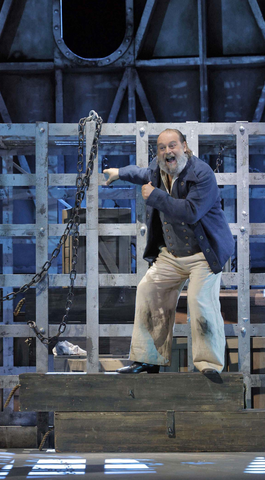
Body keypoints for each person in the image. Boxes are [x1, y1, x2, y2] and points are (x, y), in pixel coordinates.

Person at [103, 129, 234, 374]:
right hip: (172, 256)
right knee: (148, 290)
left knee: (200, 302)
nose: (167, 152)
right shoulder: (158, 170)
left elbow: (191, 211)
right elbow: (141, 173)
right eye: (162, 148)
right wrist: (119, 173)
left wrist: (155, 197)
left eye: (172, 146)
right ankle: (148, 359)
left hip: (204, 256)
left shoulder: (202, 174)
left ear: (184, 146)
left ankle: (209, 365)